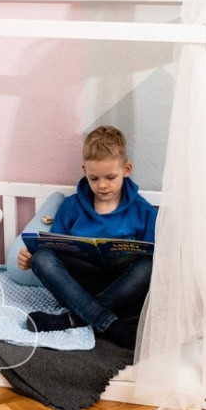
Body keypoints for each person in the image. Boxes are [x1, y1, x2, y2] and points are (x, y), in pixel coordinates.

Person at [17, 125, 157, 349]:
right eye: (94, 178)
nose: (102, 185)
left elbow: (151, 253)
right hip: (79, 287)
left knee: (149, 264)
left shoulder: (145, 212)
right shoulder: (71, 206)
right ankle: (110, 324)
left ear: (127, 169)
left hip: (123, 290)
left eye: (111, 177)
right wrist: (29, 258)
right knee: (41, 257)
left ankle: (73, 320)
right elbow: (55, 248)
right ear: (84, 170)